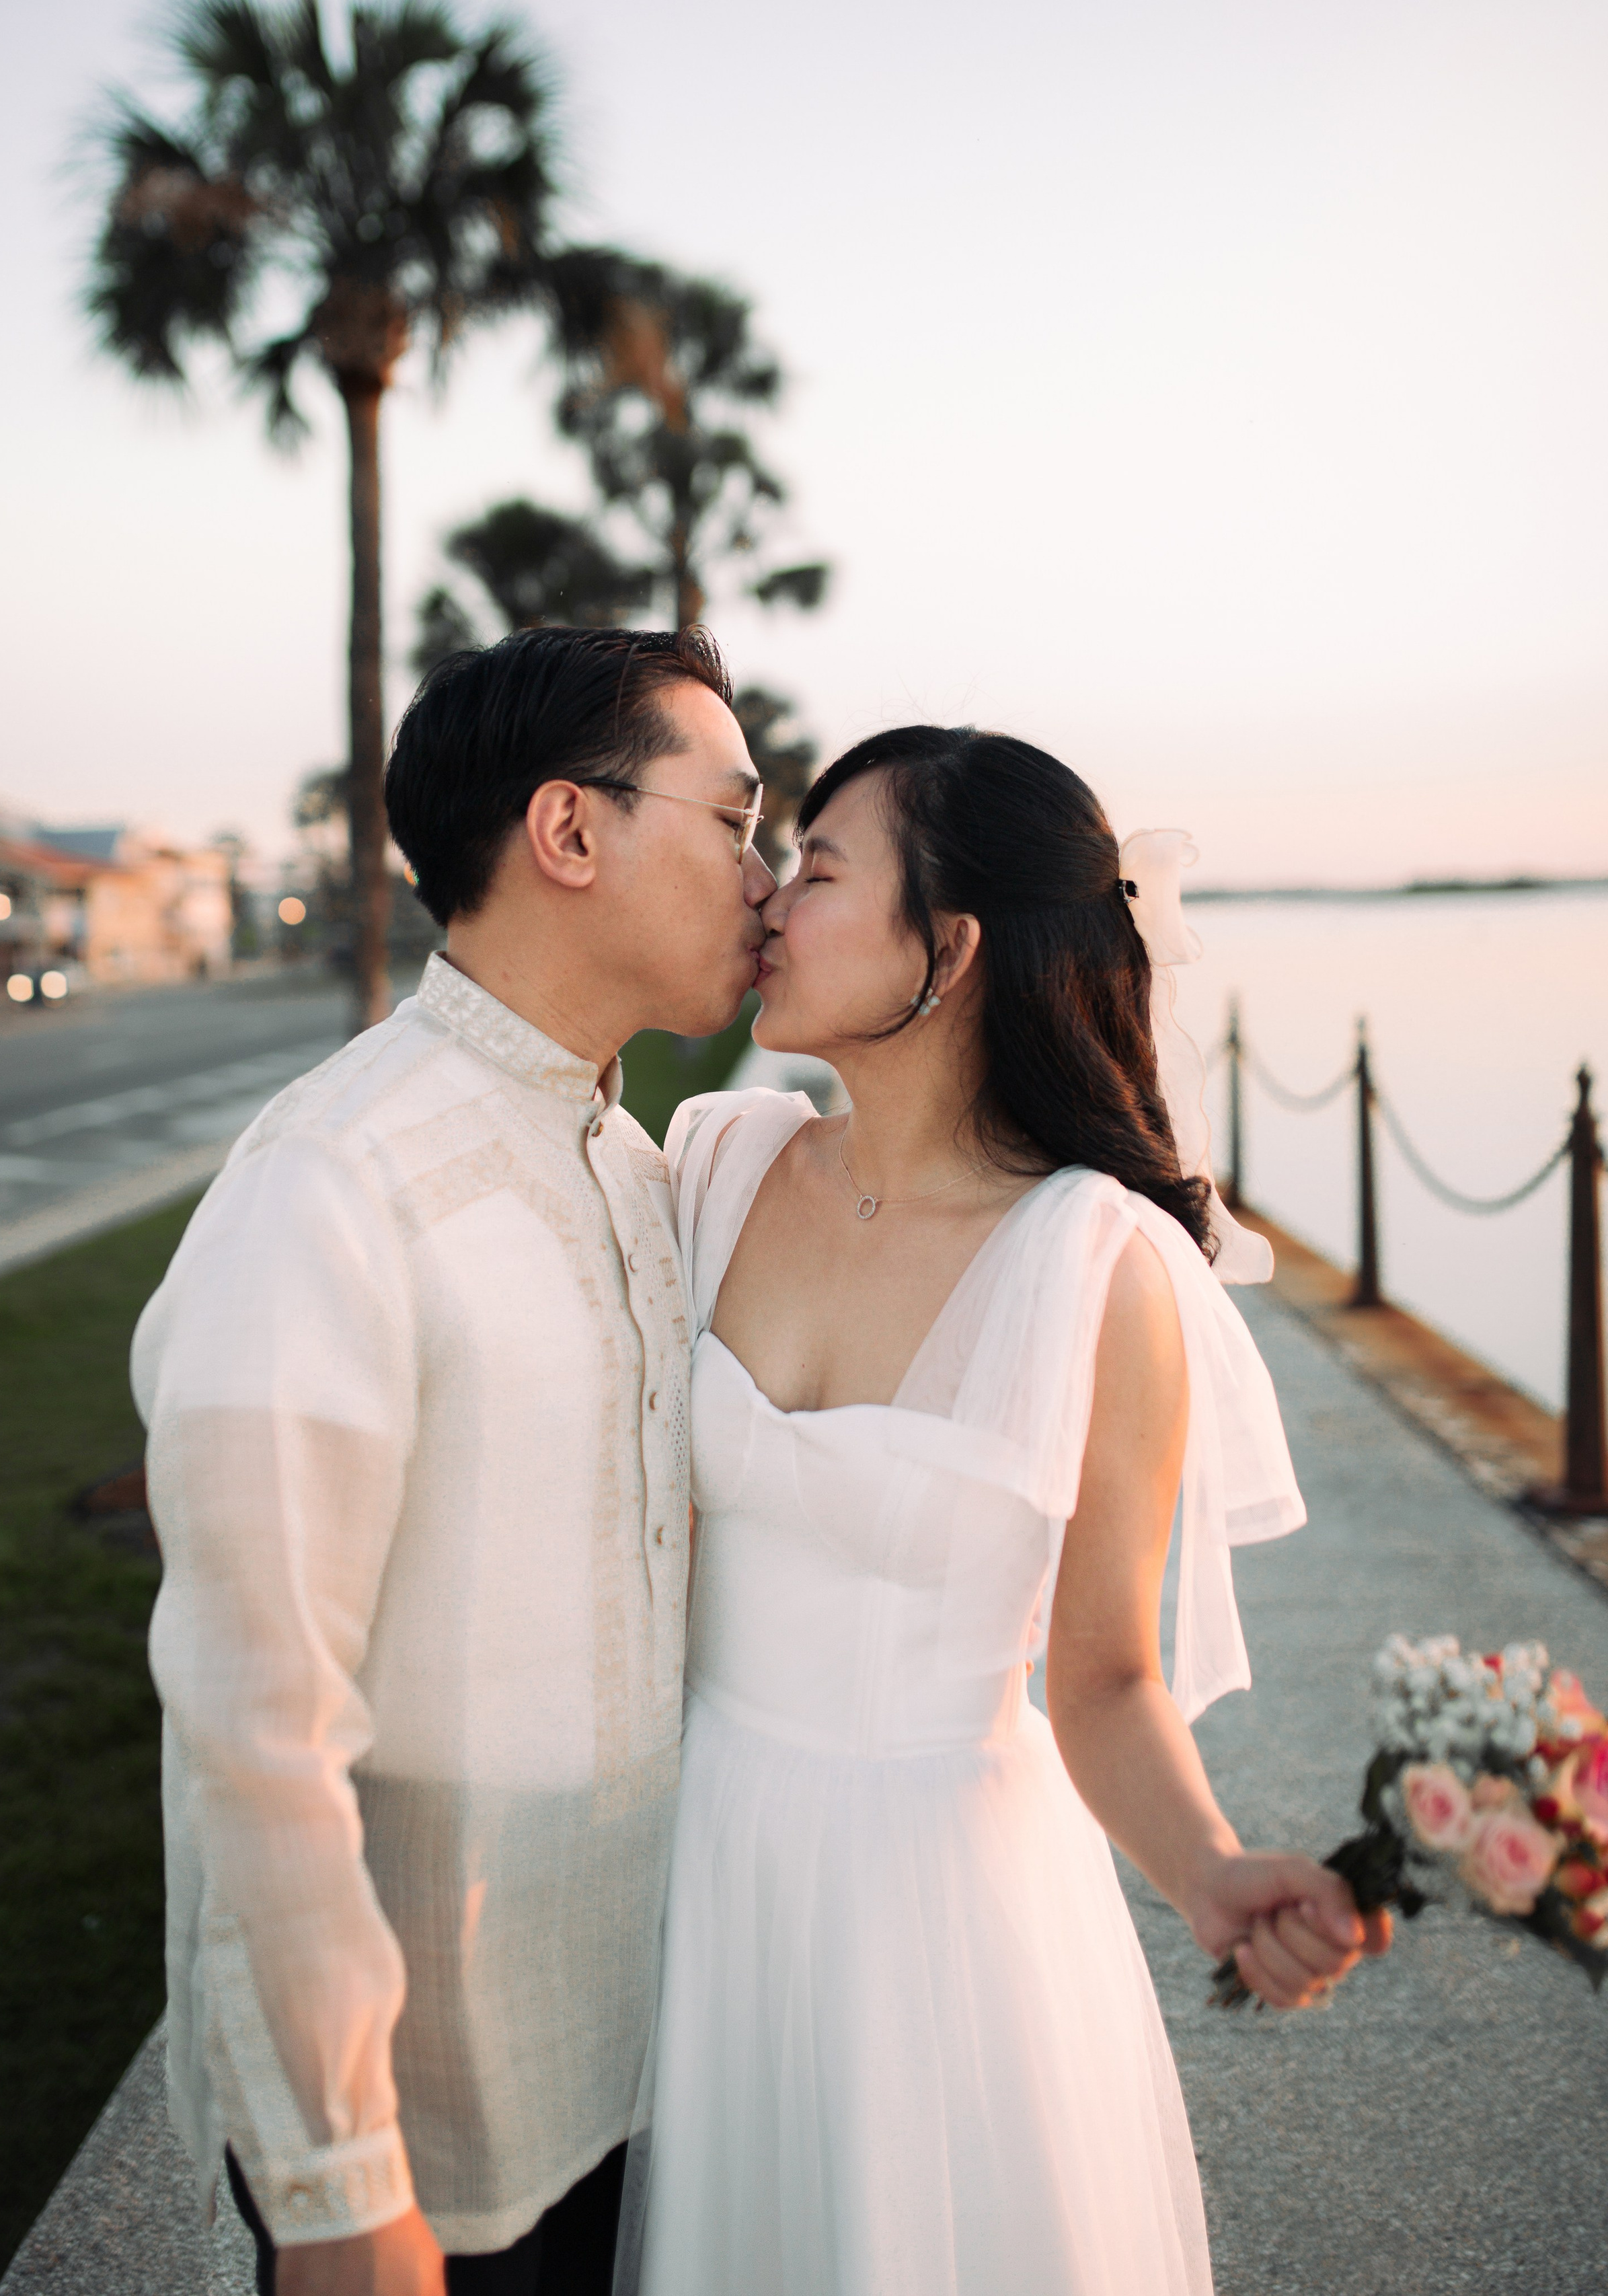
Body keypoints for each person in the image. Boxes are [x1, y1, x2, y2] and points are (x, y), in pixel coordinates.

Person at [619, 727, 1393, 2296]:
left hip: (939, 1921)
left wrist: (1207, 1871)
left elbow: (1101, 1675)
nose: (771, 897)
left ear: (949, 948)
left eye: (819, 869)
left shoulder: (1094, 1269)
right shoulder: (711, 1161)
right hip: (694, 1881)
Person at [132, 625, 773, 2296]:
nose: (763, 879)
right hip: (433, 2147)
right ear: (570, 833)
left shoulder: (634, 1164)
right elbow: (252, 1731)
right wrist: (340, 2186)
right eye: (732, 820)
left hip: (642, 2075)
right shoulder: (334, 1193)